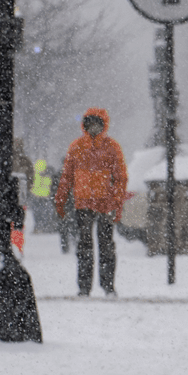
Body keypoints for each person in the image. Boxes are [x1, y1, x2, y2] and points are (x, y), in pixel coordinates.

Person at [55, 109, 127, 297]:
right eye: (91, 124)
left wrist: (116, 202)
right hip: (88, 203)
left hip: (99, 203)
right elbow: (67, 177)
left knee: (99, 246)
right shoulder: (86, 147)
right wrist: (60, 199)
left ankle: (100, 286)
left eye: (97, 124)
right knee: (92, 246)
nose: (94, 128)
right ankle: (93, 286)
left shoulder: (102, 147)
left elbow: (120, 179)